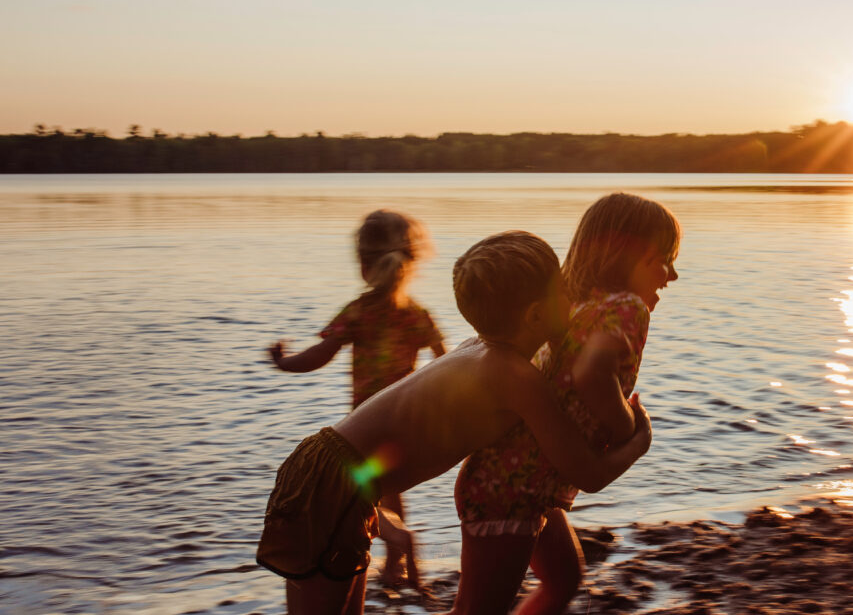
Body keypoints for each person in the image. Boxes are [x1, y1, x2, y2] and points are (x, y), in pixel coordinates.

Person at [256, 231, 653, 615]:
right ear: (534, 315)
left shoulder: (479, 350)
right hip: (331, 484)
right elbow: (587, 473)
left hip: (332, 472)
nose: (574, 297)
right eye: (564, 290)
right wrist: (639, 439)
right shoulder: (515, 377)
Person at [452, 193, 681, 615]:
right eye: (662, 260)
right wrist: (628, 429)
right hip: (512, 492)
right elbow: (591, 373)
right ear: (627, 256)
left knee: (563, 579)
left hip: (515, 483)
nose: (672, 275)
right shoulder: (626, 307)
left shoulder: (575, 306)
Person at [267, 209, 446, 589]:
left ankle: (397, 543)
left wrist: (283, 362)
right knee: (385, 491)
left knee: (353, 494)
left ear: (364, 266)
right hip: (406, 428)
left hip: (366, 428)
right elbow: (447, 364)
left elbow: (319, 356)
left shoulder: (359, 312)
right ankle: (396, 565)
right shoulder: (417, 314)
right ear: (410, 263)